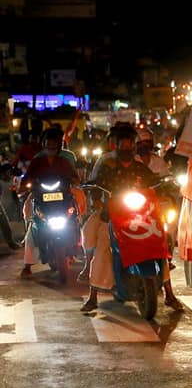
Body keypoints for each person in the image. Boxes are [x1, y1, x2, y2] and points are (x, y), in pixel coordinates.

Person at [79, 126, 169, 312]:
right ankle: (93, 295)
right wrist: (97, 199)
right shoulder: (107, 165)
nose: (127, 148)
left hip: (140, 217)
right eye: (123, 144)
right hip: (112, 215)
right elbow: (97, 186)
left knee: (158, 243)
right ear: (117, 146)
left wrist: (164, 187)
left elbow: (153, 182)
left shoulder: (139, 167)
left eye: (130, 145)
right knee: (103, 246)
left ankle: (170, 293)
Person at [18, 128, 80, 278]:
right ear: (44, 144)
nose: (51, 147)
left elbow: (74, 176)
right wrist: (24, 186)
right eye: (48, 144)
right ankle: (27, 265)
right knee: (32, 225)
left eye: (54, 144)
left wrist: (75, 181)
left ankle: (78, 245)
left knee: (77, 216)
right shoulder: (37, 161)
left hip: (63, 198)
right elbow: (28, 177)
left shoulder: (65, 160)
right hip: (41, 197)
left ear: (59, 145)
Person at [135, 127, 182, 311]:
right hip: (134, 212)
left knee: (161, 245)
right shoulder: (131, 163)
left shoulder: (159, 162)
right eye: (141, 144)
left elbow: (167, 181)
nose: (144, 147)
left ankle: (169, 294)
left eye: (147, 143)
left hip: (155, 209)